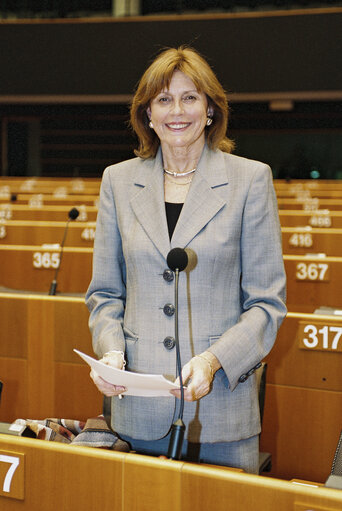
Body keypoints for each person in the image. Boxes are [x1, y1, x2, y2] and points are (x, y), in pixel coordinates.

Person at [85, 45, 287, 474]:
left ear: (211, 109)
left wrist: (213, 362)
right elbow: (105, 294)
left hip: (221, 410)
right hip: (136, 409)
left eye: (190, 97)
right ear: (148, 114)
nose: (177, 110)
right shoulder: (117, 182)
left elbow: (267, 304)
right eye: (163, 99)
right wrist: (110, 354)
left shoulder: (250, 180)